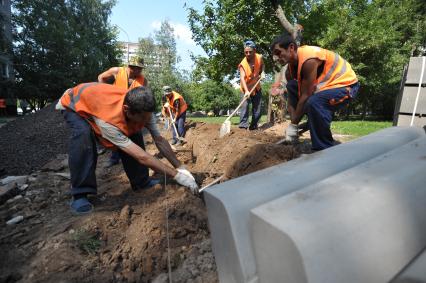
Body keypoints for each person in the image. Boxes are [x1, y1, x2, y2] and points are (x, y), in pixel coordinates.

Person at [56, 83, 198, 214]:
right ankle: (80, 193)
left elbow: (159, 140)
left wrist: (180, 167)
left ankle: (141, 182)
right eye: (143, 118)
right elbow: (141, 156)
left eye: (147, 118)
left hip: (99, 99)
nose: (145, 122)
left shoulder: (142, 109)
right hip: (74, 104)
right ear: (127, 111)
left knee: (134, 129)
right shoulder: (108, 123)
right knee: (83, 135)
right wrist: (176, 176)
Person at [270, 33, 360, 150]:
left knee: (314, 102)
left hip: (346, 86)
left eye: (278, 52)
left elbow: (306, 94)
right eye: (274, 55)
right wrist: (294, 124)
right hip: (326, 88)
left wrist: (293, 125)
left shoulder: (309, 59)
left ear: (291, 47)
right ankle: (313, 121)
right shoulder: (289, 71)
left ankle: (323, 148)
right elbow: (294, 99)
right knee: (292, 85)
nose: (276, 57)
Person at [98, 56, 148, 167]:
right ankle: (114, 158)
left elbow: (143, 96)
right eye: (136, 68)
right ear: (130, 66)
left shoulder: (143, 80)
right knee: (116, 132)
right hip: (115, 108)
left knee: (134, 133)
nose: (138, 71)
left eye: (140, 69)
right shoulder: (117, 71)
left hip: (131, 111)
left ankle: (135, 157)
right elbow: (101, 77)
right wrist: (104, 93)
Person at [238, 40, 265, 130]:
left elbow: (262, 65)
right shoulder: (243, 64)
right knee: (244, 108)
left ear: (255, 50)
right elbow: (242, 79)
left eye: (250, 52)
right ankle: (243, 127)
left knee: (258, 110)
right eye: (246, 52)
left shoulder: (259, 57)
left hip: (256, 87)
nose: (248, 54)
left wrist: (263, 72)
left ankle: (253, 126)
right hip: (245, 88)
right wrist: (246, 91)